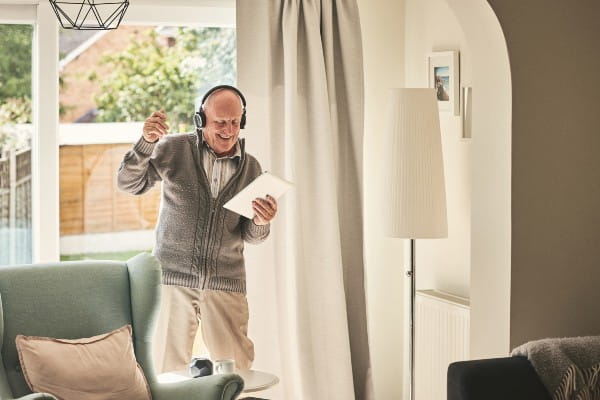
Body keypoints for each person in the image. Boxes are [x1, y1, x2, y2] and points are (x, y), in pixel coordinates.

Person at [117, 85, 277, 373]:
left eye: (235, 122)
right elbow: (129, 183)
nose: (229, 130)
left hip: (226, 283)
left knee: (237, 371)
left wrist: (261, 222)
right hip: (172, 279)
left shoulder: (251, 168)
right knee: (164, 370)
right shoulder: (173, 150)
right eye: (220, 122)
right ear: (201, 120)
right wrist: (145, 144)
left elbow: (251, 236)